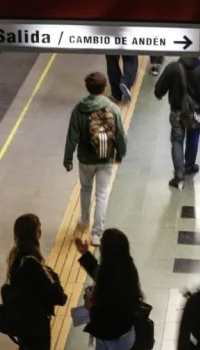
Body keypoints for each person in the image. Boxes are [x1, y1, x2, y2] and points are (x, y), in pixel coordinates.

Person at [5, 214, 69, 350]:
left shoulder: (17, 257)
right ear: (35, 233)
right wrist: (53, 277)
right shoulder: (33, 264)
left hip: (24, 327)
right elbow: (59, 297)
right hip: (36, 329)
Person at [64, 72, 127, 247]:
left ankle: (84, 220)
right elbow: (121, 135)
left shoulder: (79, 109)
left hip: (85, 159)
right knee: (101, 194)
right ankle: (97, 234)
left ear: (88, 88)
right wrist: (120, 154)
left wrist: (68, 159)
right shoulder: (112, 108)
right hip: (106, 158)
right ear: (104, 88)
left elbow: (72, 137)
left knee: (85, 189)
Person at [154, 57, 200, 188]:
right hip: (195, 113)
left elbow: (160, 87)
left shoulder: (173, 68)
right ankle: (189, 166)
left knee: (177, 141)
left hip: (177, 112)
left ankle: (179, 173)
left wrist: (159, 94)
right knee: (193, 138)